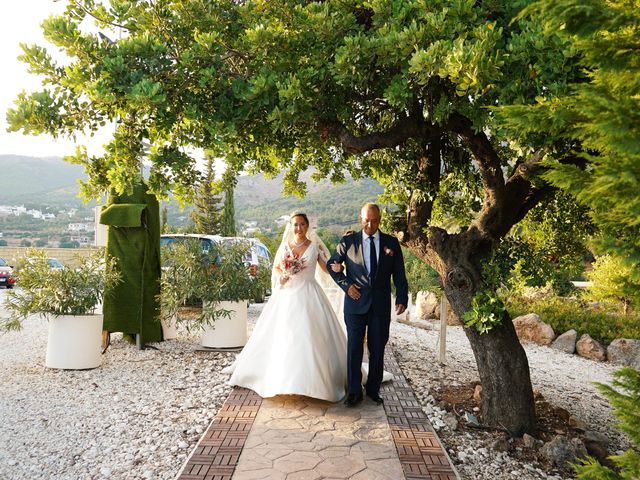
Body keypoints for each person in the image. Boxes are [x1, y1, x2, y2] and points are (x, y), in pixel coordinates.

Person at [224, 213, 348, 402]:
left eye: (302, 224)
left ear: (308, 226)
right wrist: (281, 275)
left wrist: (338, 268)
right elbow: (276, 268)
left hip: (309, 294)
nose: (299, 228)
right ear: (291, 226)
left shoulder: (314, 246)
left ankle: (311, 383)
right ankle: (285, 381)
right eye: (295, 224)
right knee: (285, 337)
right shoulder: (284, 246)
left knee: (309, 337)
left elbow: (326, 268)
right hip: (286, 295)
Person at [328, 203, 408, 407]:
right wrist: (346, 285)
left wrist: (402, 297)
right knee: (354, 347)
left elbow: (399, 272)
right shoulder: (348, 241)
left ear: (379, 219)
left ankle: (373, 389)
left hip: (380, 304)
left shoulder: (391, 243)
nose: (370, 224)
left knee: (377, 348)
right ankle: (354, 391)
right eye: (366, 220)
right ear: (360, 218)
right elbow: (332, 265)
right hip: (355, 303)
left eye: (374, 221)